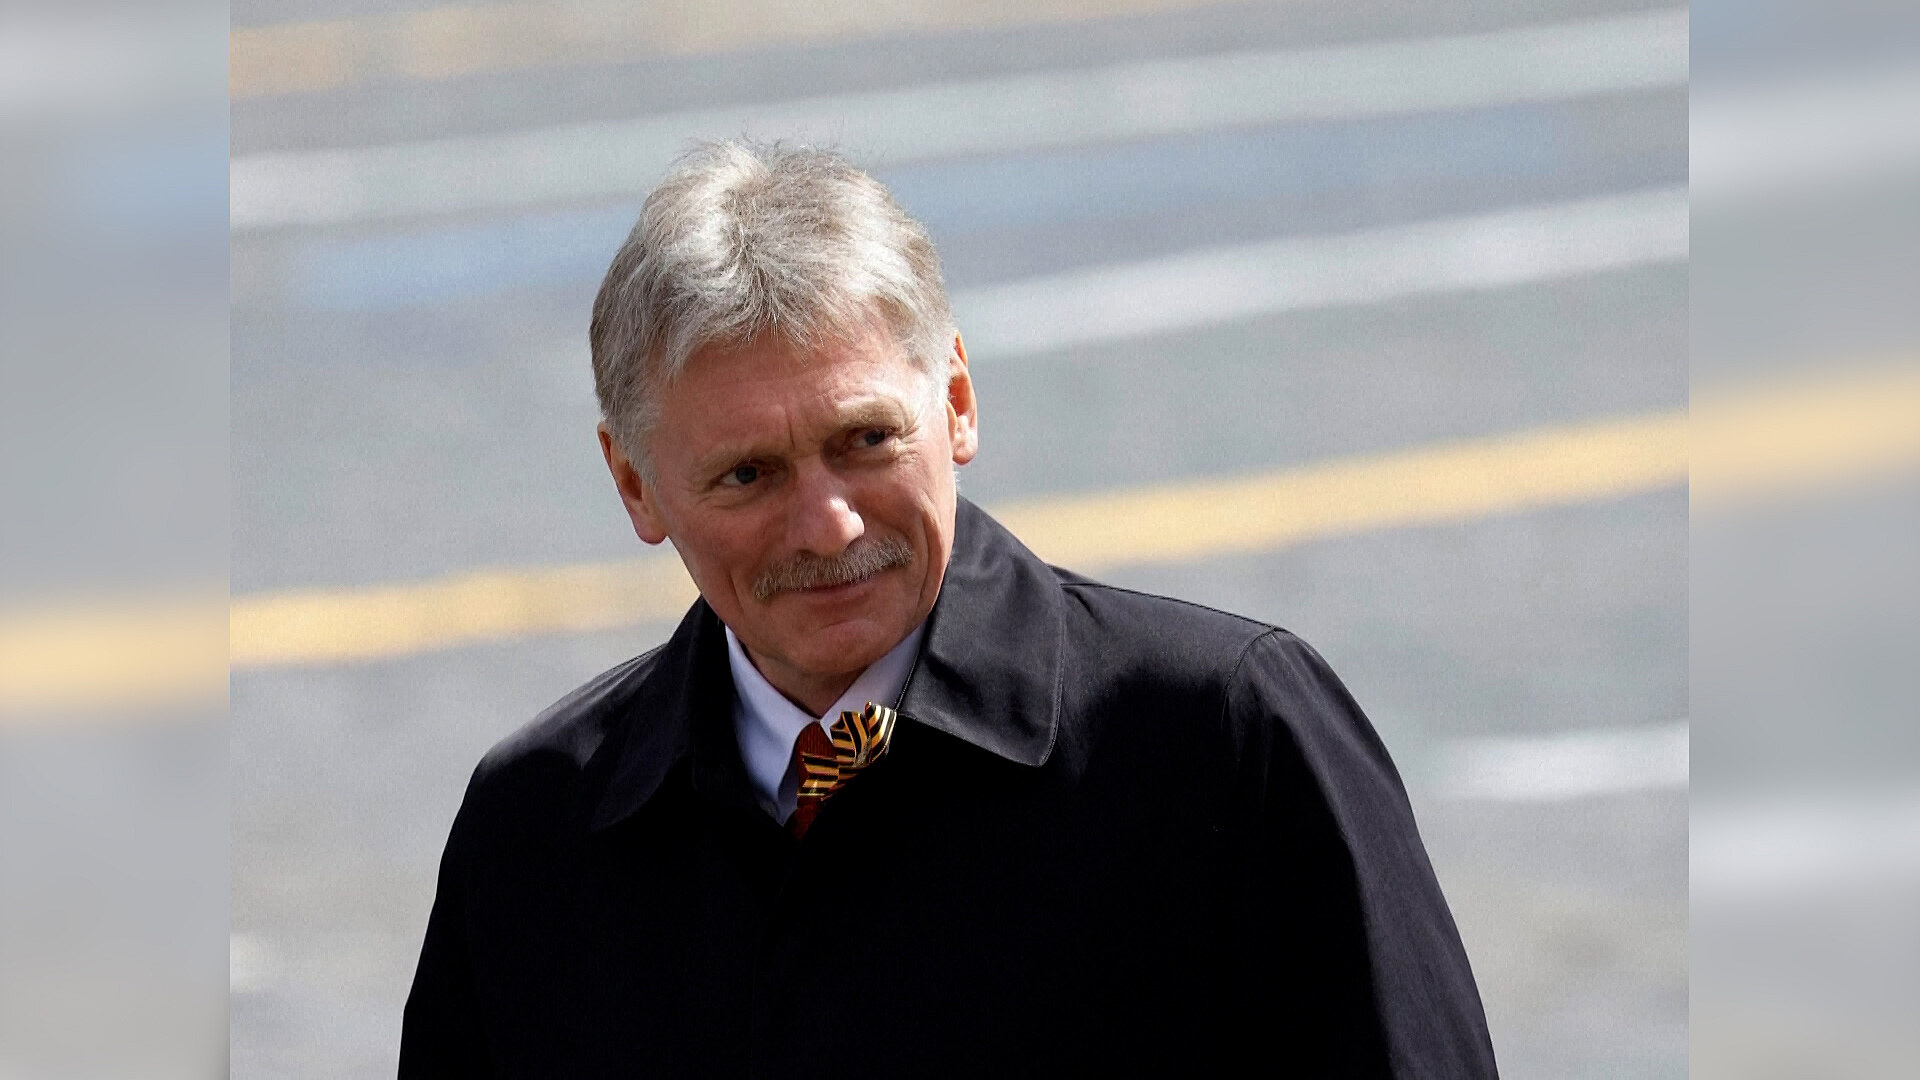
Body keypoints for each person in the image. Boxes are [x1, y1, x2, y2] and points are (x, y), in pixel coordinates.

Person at [400, 141, 1497, 1077]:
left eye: (865, 440)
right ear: (635, 485)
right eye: (748, 475)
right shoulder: (532, 832)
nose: (828, 526)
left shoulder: (1227, 740)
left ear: (958, 401)